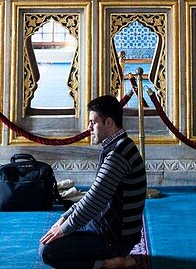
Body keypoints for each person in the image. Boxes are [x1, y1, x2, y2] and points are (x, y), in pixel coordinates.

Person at [39, 94, 147, 269]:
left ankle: (109, 262)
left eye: (93, 122)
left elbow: (94, 201)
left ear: (109, 123)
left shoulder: (118, 155)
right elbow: (94, 194)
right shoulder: (119, 145)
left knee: (48, 251)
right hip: (109, 228)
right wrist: (64, 218)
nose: (89, 128)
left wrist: (64, 228)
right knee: (57, 232)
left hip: (115, 238)